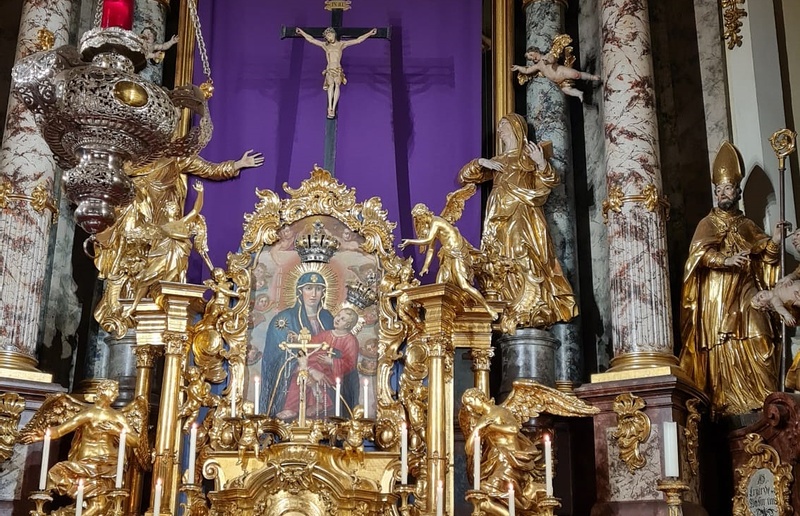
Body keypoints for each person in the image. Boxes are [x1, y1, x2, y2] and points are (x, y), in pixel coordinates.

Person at [678, 140, 781, 417]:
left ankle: (764, 399)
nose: (723, 194)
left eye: (728, 188)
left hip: (747, 290)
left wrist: (775, 241)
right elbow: (698, 257)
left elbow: (767, 258)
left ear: (737, 191)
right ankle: (728, 404)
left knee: (761, 336)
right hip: (718, 297)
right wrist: (725, 260)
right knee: (723, 345)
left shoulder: (747, 225)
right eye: (719, 189)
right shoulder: (707, 224)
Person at [458, 113, 577, 333]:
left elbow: (550, 181)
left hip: (522, 212)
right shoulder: (499, 160)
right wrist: (481, 162)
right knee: (501, 257)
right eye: (499, 126)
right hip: (497, 216)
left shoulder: (527, 156)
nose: (499, 130)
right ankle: (509, 304)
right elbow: (465, 177)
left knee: (525, 251)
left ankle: (533, 303)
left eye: (503, 125)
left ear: (516, 128)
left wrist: (540, 162)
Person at [19, 381, 142, 516]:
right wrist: (42, 435)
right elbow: (61, 429)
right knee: (60, 475)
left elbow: (135, 441)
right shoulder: (88, 414)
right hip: (86, 463)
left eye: (116, 391)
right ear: (102, 391)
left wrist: (117, 431)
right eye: (112, 390)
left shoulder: (118, 416)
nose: (116, 394)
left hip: (109, 466)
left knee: (101, 505)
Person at [400, 204, 498, 320]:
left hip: (457, 254)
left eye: (420, 218)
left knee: (464, 285)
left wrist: (410, 242)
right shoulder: (432, 226)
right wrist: (425, 267)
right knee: (439, 285)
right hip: (447, 255)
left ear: (425, 214)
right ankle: (441, 318)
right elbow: (431, 249)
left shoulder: (436, 221)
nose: (420, 221)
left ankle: (488, 308)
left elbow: (428, 240)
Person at [261, 270, 334, 415]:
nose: (314, 294)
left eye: (318, 289)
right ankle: (292, 407)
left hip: (324, 374)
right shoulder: (284, 319)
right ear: (300, 291)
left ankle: (320, 403)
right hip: (294, 375)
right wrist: (308, 370)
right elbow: (275, 357)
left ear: (323, 293)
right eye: (309, 288)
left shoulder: (327, 318)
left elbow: (336, 350)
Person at [276, 307, 360, 419]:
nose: (338, 319)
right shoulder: (325, 334)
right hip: (316, 364)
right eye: (338, 316)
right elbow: (311, 344)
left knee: (317, 373)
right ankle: (291, 407)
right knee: (300, 374)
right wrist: (299, 340)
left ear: (348, 325)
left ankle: (319, 403)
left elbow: (350, 363)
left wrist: (332, 361)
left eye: (343, 319)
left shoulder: (350, 340)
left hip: (333, 372)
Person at [295, 26, 378, 118]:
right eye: (327, 37)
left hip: (338, 69)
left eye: (330, 35)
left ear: (334, 34)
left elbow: (358, 40)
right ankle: (330, 107)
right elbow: (311, 40)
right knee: (331, 85)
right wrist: (301, 32)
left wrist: (369, 33)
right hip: (330, 69)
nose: (329, 38)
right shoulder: (325, 45)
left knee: (337, 85)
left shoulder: (341, 44)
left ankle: (333, 108)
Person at [511, 49, 600, 102]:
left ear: (536, 51)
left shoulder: (547, 55)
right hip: (559, 81)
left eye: (531, 55)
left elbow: (553, 59)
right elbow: (527, 70)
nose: (533, 58)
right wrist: (518, 67)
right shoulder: (538, 66)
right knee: (566, 90)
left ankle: (592, 77)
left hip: (561, 71)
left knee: (576, 74)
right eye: (531, 58)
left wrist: (548, 61)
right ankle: (579, 93)